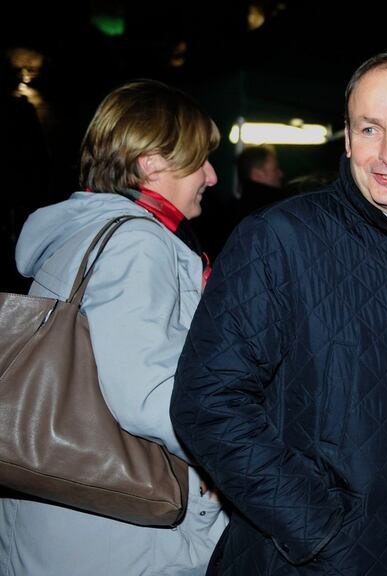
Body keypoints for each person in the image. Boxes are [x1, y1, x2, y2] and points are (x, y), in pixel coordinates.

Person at [170, 50, 387, 575]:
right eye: (370, 129)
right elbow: (206, 400)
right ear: (347, 139)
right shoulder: (279, 238)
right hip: (301, 559)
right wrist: (315, 527)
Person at [0, 79, 227, 575]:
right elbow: (146, 393)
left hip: (61, 507)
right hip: (119, 530)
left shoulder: (79, 229)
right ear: (151, 164)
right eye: (199, 159)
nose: (210, 175)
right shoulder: (137, 244)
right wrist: (229, 449)